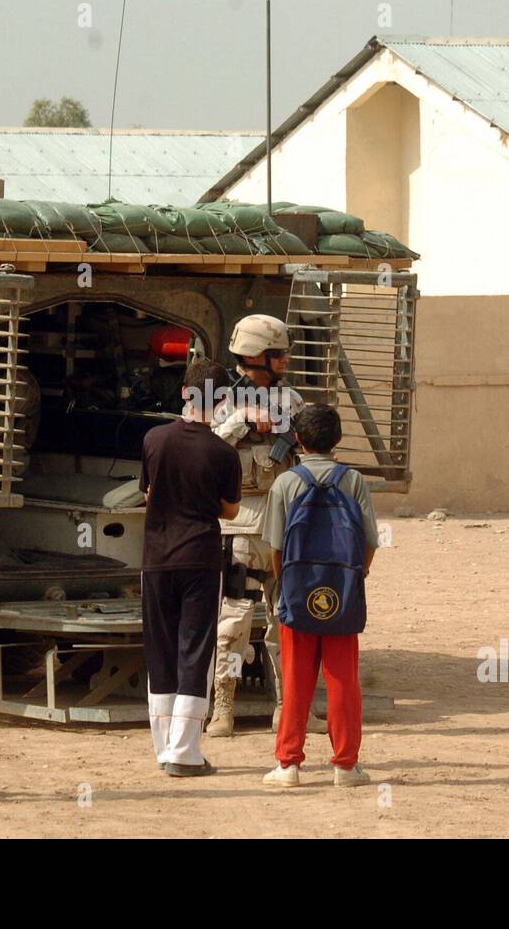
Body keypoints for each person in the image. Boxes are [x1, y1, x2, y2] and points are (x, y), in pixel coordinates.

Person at [208, 314, 325, 736]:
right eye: (279, 353)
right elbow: (204, 448)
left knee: (288, 622)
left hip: (285, 526)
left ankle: (290, 707)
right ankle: (224, 707)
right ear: (259, 354)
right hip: (238, 526)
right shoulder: (221, 402)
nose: (286, 359)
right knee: (233, 623)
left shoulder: (291, 400)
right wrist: (241, 423)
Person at [260, 404, 378, 787]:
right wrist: (353, 577)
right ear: (338, 439)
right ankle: (345, 765)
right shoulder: (354, 481)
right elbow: (370, 541)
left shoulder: (285, 483)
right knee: (343, 678)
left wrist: (287, 586)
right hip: (342, 592)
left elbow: (276, 547)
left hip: (297, 593)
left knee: (295, 679)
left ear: (297, 439)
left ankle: (288, 765)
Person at [139, 359, 242, 777]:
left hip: (155, 559)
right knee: (194, 652)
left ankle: (165, 749)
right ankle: (185, 752)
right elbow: (231, 511)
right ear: (222, 401)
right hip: (200, 558)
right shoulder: (223, 452)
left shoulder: (153, 439)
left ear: (184, 392)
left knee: (159, 652)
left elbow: (148, 494)